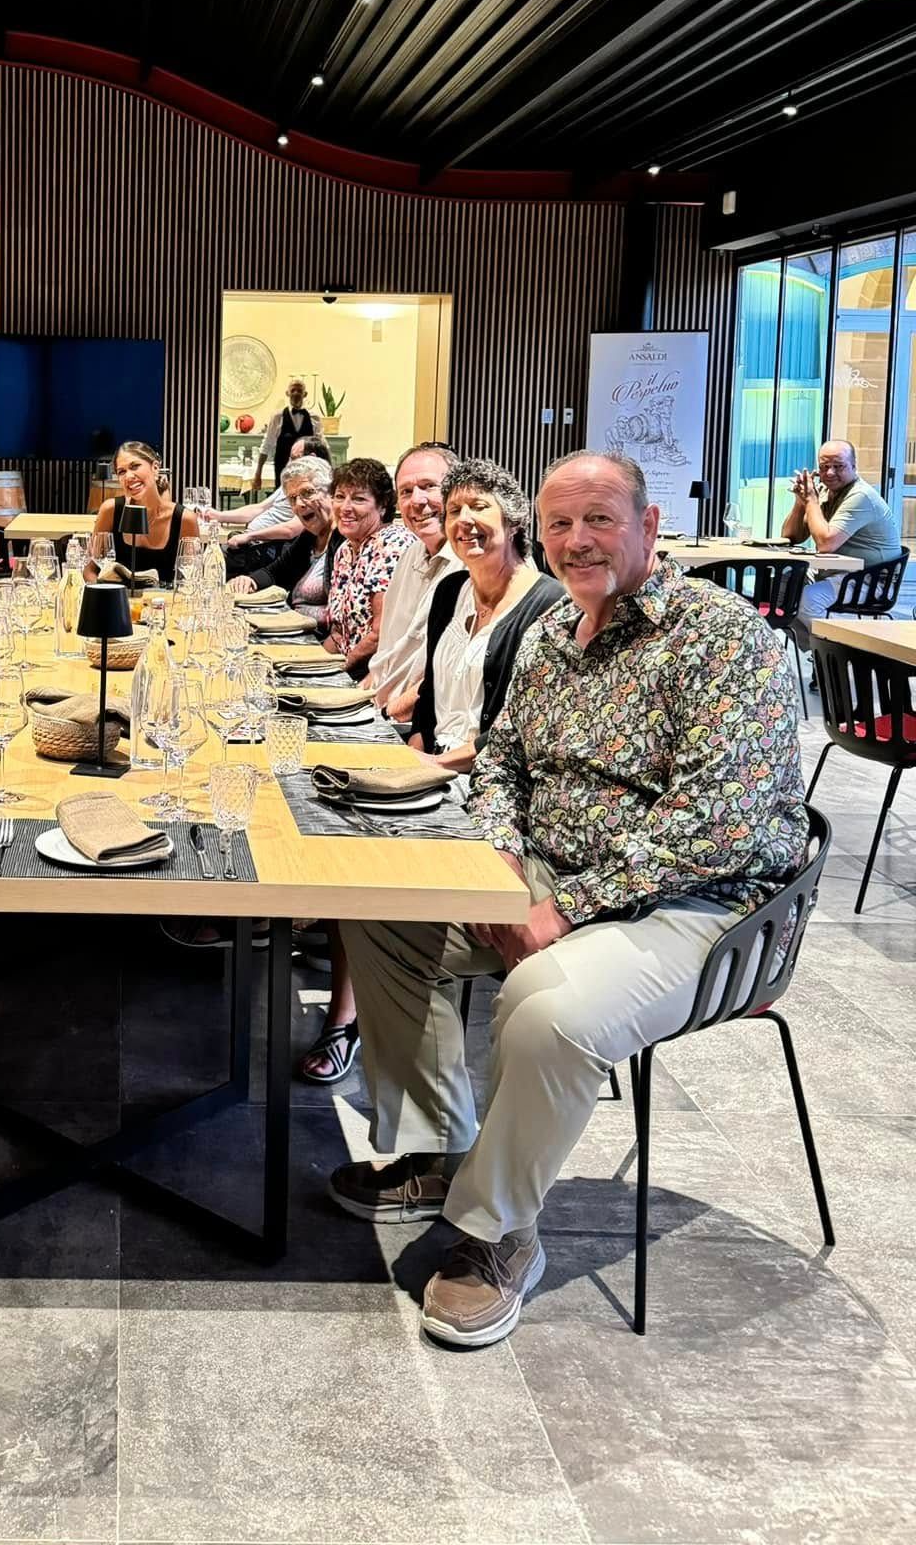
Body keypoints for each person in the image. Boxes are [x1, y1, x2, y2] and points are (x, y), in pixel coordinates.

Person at [330, 450, 806, 1349]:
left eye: (599, 520)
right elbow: (502, 765)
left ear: (649, 526)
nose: (576, 541)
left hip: (702, 906)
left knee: (544, 1009)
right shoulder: (554, 635)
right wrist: (505, 868)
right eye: (559, 524)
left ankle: (496, 1231)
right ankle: (440, 1152)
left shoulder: (722, 638)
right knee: (382, 908)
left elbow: (720, 823)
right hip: (551, 873)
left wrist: (569, 906)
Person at [408, 460, 562, 771]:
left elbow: (524, 727)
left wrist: (435, 764)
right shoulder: (449, 591)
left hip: (490, 780)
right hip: (431, 766)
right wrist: (411, 760)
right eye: (453, 511)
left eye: (478, 506)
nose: (464, 520)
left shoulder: (550, 603)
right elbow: (428, 695)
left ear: (513, 521)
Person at [366, 444, 460, 722]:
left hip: (417, 724)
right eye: (406, 491)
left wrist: (382, 716)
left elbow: (442, 677)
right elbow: (388, 653)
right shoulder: (410, 556)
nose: (417, 501)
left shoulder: (471, 566)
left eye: (429, 486)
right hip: (380, 708)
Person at [781, 438, 902, 640]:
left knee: (809, 599)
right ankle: (818, 659)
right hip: (838, 573)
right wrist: (801, 502)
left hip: (870, 580)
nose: (829, 473)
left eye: (838, 466)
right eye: (824, 466)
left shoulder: (860, 496)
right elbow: (791, 537)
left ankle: (838, 653)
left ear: (854, 466)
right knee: (783, 587)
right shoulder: (826, 492)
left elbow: (826, 544)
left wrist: (811, 499)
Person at [322, 457, 411, 677]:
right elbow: (338, 631)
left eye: (359, 499)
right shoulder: (345, 549)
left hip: (373, 674)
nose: (345, 507)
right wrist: (309, 664)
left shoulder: (391, 544)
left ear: (382, 506)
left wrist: (335, 671)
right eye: (340, 497)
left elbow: (380, 634)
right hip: (346, 665)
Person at [229, 460, 337, 621]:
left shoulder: (344, 541)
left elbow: (342, 617)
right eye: (293, 498)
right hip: (294, 626)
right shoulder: (310, 536)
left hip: (317, 639)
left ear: (330, 493)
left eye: (308, 492)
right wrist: (250, 580)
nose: (299, 504)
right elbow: (276, 571)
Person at [221, 436, 332, 577]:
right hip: (252, 542)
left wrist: (249, 536)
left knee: (217, 563)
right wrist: (216, 515)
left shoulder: (335, 542)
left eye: (294, 458)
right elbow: (258, 508)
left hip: (265, 547)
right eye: (292, 498)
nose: (299, 503)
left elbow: (290, 530)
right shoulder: (292, 485)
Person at [92, 440, 200, 579]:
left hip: (164, 600)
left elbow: (193, 576)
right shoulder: (110, 510)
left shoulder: (185, 519)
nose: (129, 476)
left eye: (135, 466)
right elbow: (90, 570)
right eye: (121, 472)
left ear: (155, 468)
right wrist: (106, 596)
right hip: (118, 600)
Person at [252, 379, 318, 496]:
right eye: (293, 390)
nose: (296, 393)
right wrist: (258, 473)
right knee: (282, 499)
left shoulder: (314, 418)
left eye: (299, 390)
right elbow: (267, 444)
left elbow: (320, 446)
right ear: (287, 393)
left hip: (307, 470)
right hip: (283, 470)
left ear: (305, 394)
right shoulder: (278, 417)